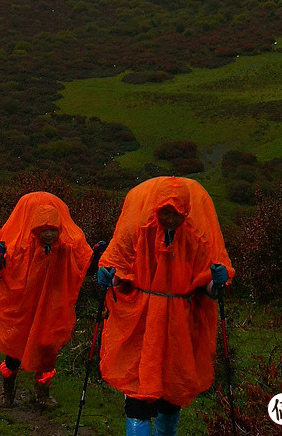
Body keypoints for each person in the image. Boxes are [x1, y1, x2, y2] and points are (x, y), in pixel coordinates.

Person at [97, 176, 235, 436]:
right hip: (141, 322)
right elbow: (119, 267)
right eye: (165, 212)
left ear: (186, 212)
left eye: (176, 213)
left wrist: (216, 283)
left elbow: (208, 287)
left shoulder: (198, 240)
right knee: (138, 394)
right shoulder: (138, 232)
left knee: (172, 393)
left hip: (179, 327)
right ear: (156, 208)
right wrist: (109, 276)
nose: (170, 218)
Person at [0, 191, 93, 408]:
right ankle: (7, 391)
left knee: (47, 350)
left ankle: (42, 393)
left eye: (52, 230)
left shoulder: (64, 249)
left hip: (50, 309)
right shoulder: (22, 246)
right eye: (44, 230)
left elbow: (79, 264)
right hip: (23, 307)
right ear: (36, 229)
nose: (48, 235)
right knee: (15, 350)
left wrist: (95, 257)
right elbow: (4, 265)